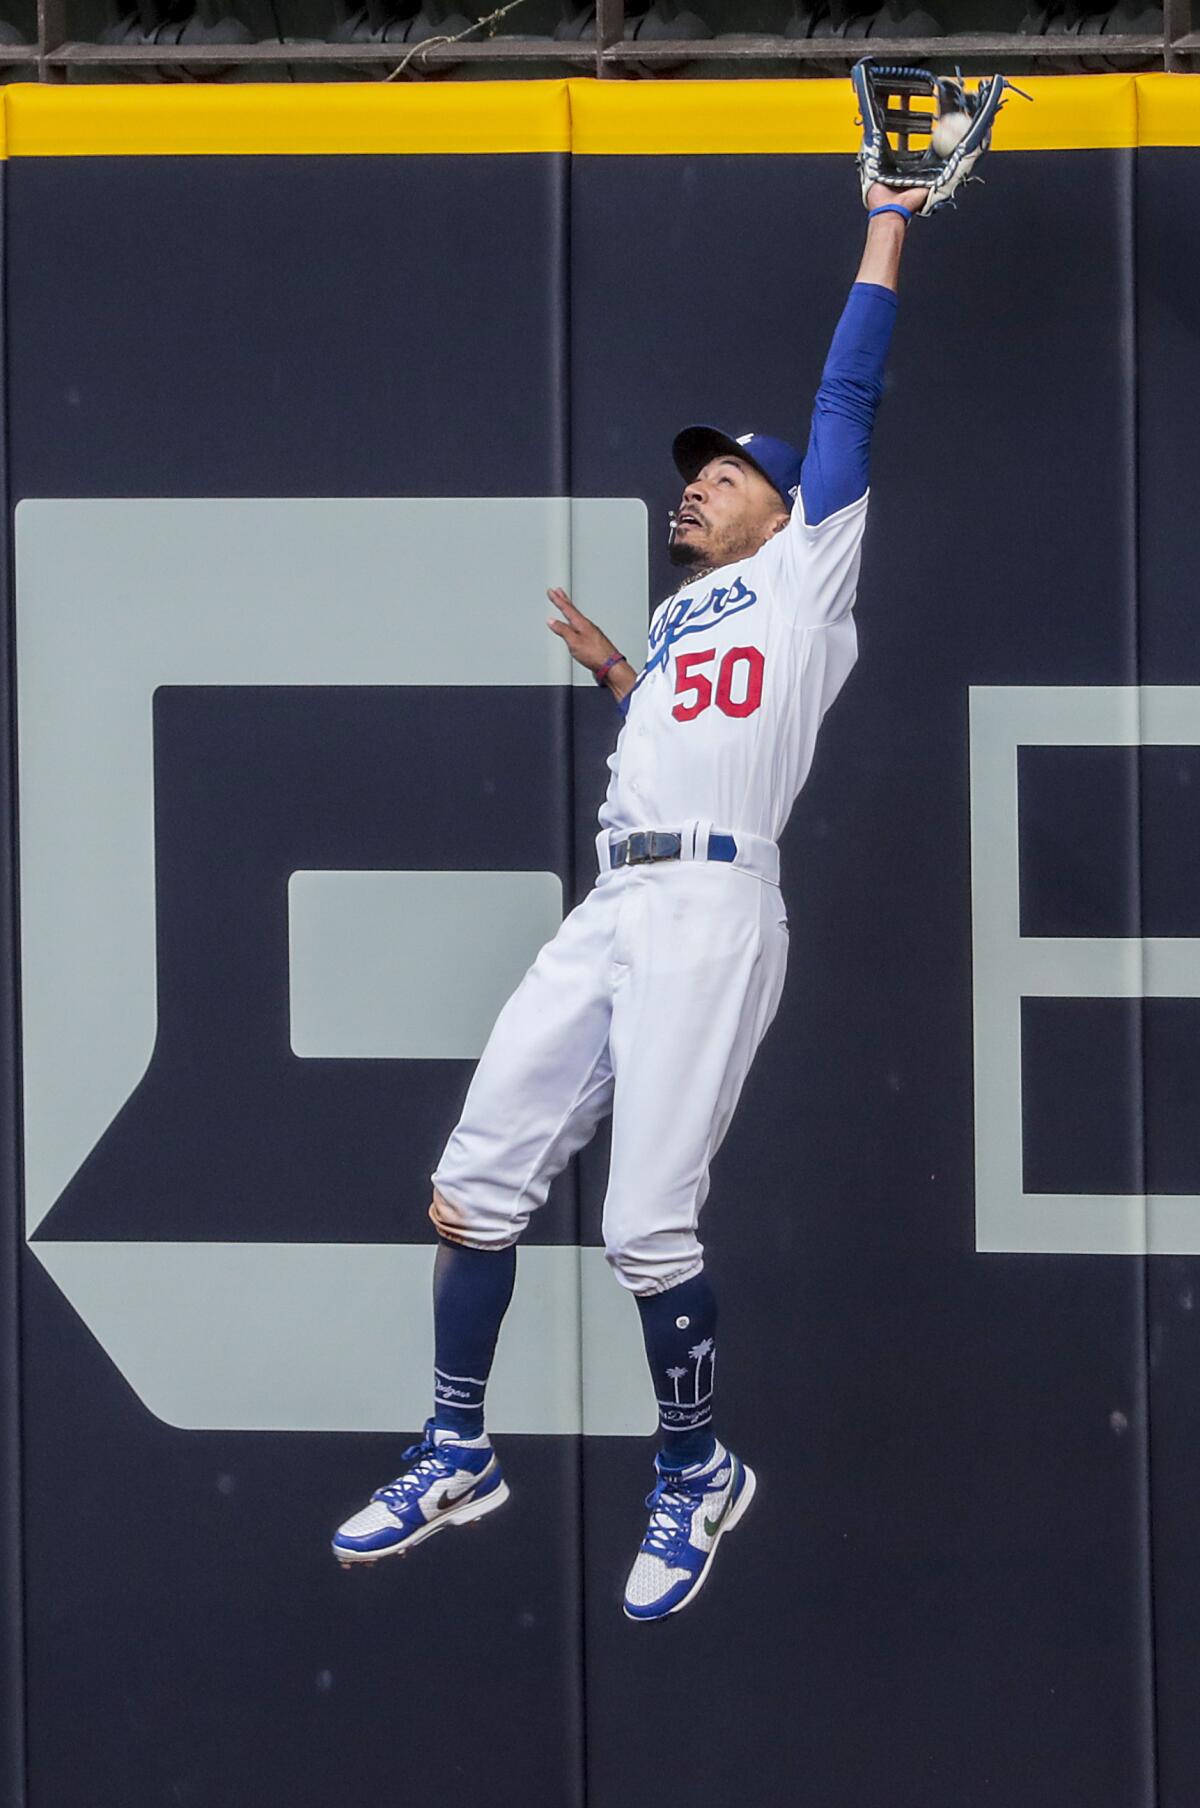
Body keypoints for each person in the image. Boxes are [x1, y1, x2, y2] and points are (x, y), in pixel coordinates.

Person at [332, 177, 930, 1620]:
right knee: (469, 1191)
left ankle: (692, 1471)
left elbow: (847, 396)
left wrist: (888, 221)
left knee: (646, 1232)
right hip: (615, 903)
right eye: (696, 473)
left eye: (725, 474)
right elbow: (685, 730)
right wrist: (623, 674)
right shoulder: (682, 614)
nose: (697, 483)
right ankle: (456, 1447)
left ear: (787, 509)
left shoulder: (806, 574)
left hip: (716, 912)